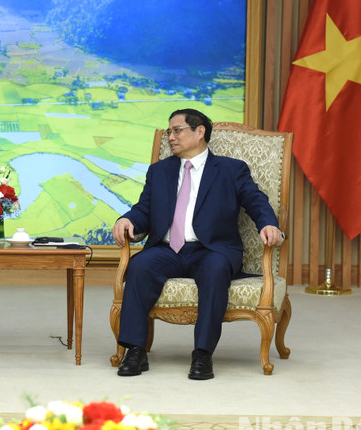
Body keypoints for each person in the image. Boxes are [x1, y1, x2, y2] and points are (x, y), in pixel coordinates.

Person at [112, 109, 283, 380]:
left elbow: (255, 200)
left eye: (177, 130)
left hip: (212, 250)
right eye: (168, 132)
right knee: (140, 266)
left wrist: (268, 224)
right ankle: (135, 350)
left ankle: (202, 354)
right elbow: (143, 210)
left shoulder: (230, 169)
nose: (170, 137)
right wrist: (127, 219)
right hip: (167, 250)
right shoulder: (159, 171)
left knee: (215, 271)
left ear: (199, 131)